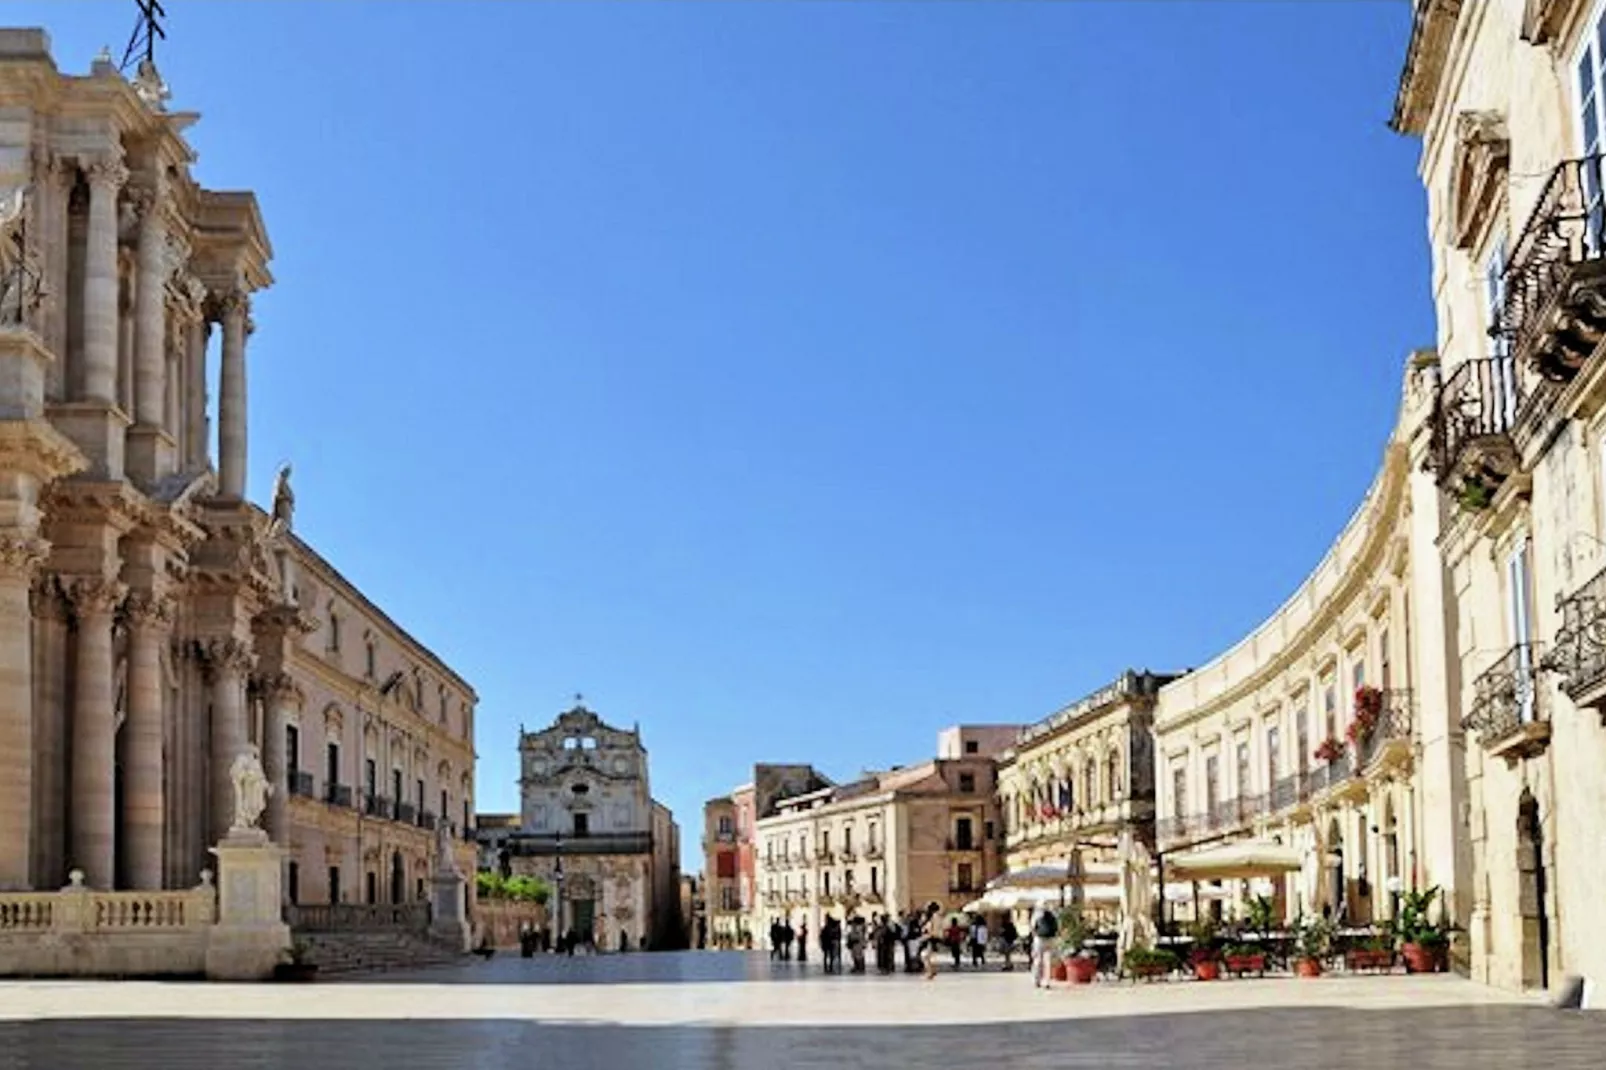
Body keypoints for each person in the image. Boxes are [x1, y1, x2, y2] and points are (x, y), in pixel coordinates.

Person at [1031, 906, 1059, 989]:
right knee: (1048, 961)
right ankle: (1047, 982)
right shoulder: (1053, 916)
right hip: (1050, 939)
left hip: (1039, 939)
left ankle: (1037, 980)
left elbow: (1033, 928)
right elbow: (1057, 928)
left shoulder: (1036, 915)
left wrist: (1034, 937)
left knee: (1038, 960)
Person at [921, 903, 945, 980]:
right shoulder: (936, 917)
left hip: (932, 938)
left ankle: (930, 972)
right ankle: (931, 972)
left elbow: (934, 929)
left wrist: (927, 934)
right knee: (930, 956)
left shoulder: (934, 917)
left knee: (925, 956)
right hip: (933, 937)